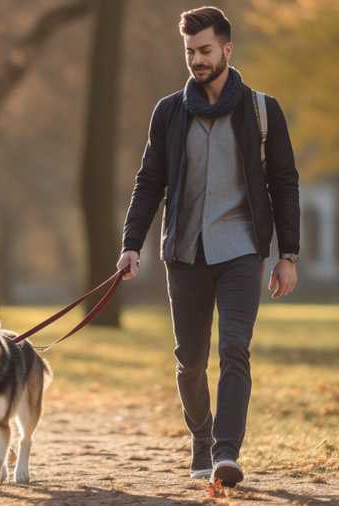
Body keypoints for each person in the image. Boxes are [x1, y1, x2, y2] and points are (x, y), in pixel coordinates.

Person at [116, 6, 300, 487]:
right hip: (185, 251)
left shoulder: (262, 110)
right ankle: (200, 438)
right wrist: (131, 243)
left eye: (205, 50)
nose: (196, 60)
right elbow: (148, 182)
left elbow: (284, 182)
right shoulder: (170, 112)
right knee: (190, 359)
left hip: (241, 249)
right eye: (189, 52)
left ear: (227, 49)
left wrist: (288, 254)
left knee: (235, 348)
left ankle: (226, 452)